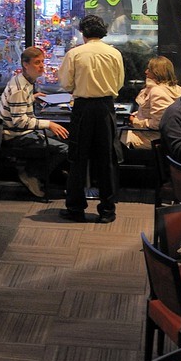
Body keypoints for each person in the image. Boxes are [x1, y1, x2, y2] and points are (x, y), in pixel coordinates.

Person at [56, 14, 124, 223]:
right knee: (107, 159)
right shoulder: (114, 53)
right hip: (105, 108)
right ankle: (107, 210)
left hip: (83, 108)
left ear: (83, 32)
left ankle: (76, 208)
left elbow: (66, 84)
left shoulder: (75, 54)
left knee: (77, 158)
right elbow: (119, 83)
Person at [0, 46, 69, 199]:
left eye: (42, 61)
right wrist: (48, 124)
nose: (42, 66)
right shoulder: (20, 89)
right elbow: (20, 122)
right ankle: (32, 175)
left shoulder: (21, 81)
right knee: (64, 148)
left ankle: (43, 174)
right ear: (25, 64)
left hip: (17, 132)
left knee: (64, 136)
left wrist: (32, 98)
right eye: (37, 63)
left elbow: (16, 108)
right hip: (15, 136)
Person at [126, 56, 181, 142]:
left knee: (115, 140)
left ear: (157, 73)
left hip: (151, 138)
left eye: (149, 70)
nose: (146, 72)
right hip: (165, 137)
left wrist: (135, 121)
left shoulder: (156, 92)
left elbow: (157, 123)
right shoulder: (177, 89)